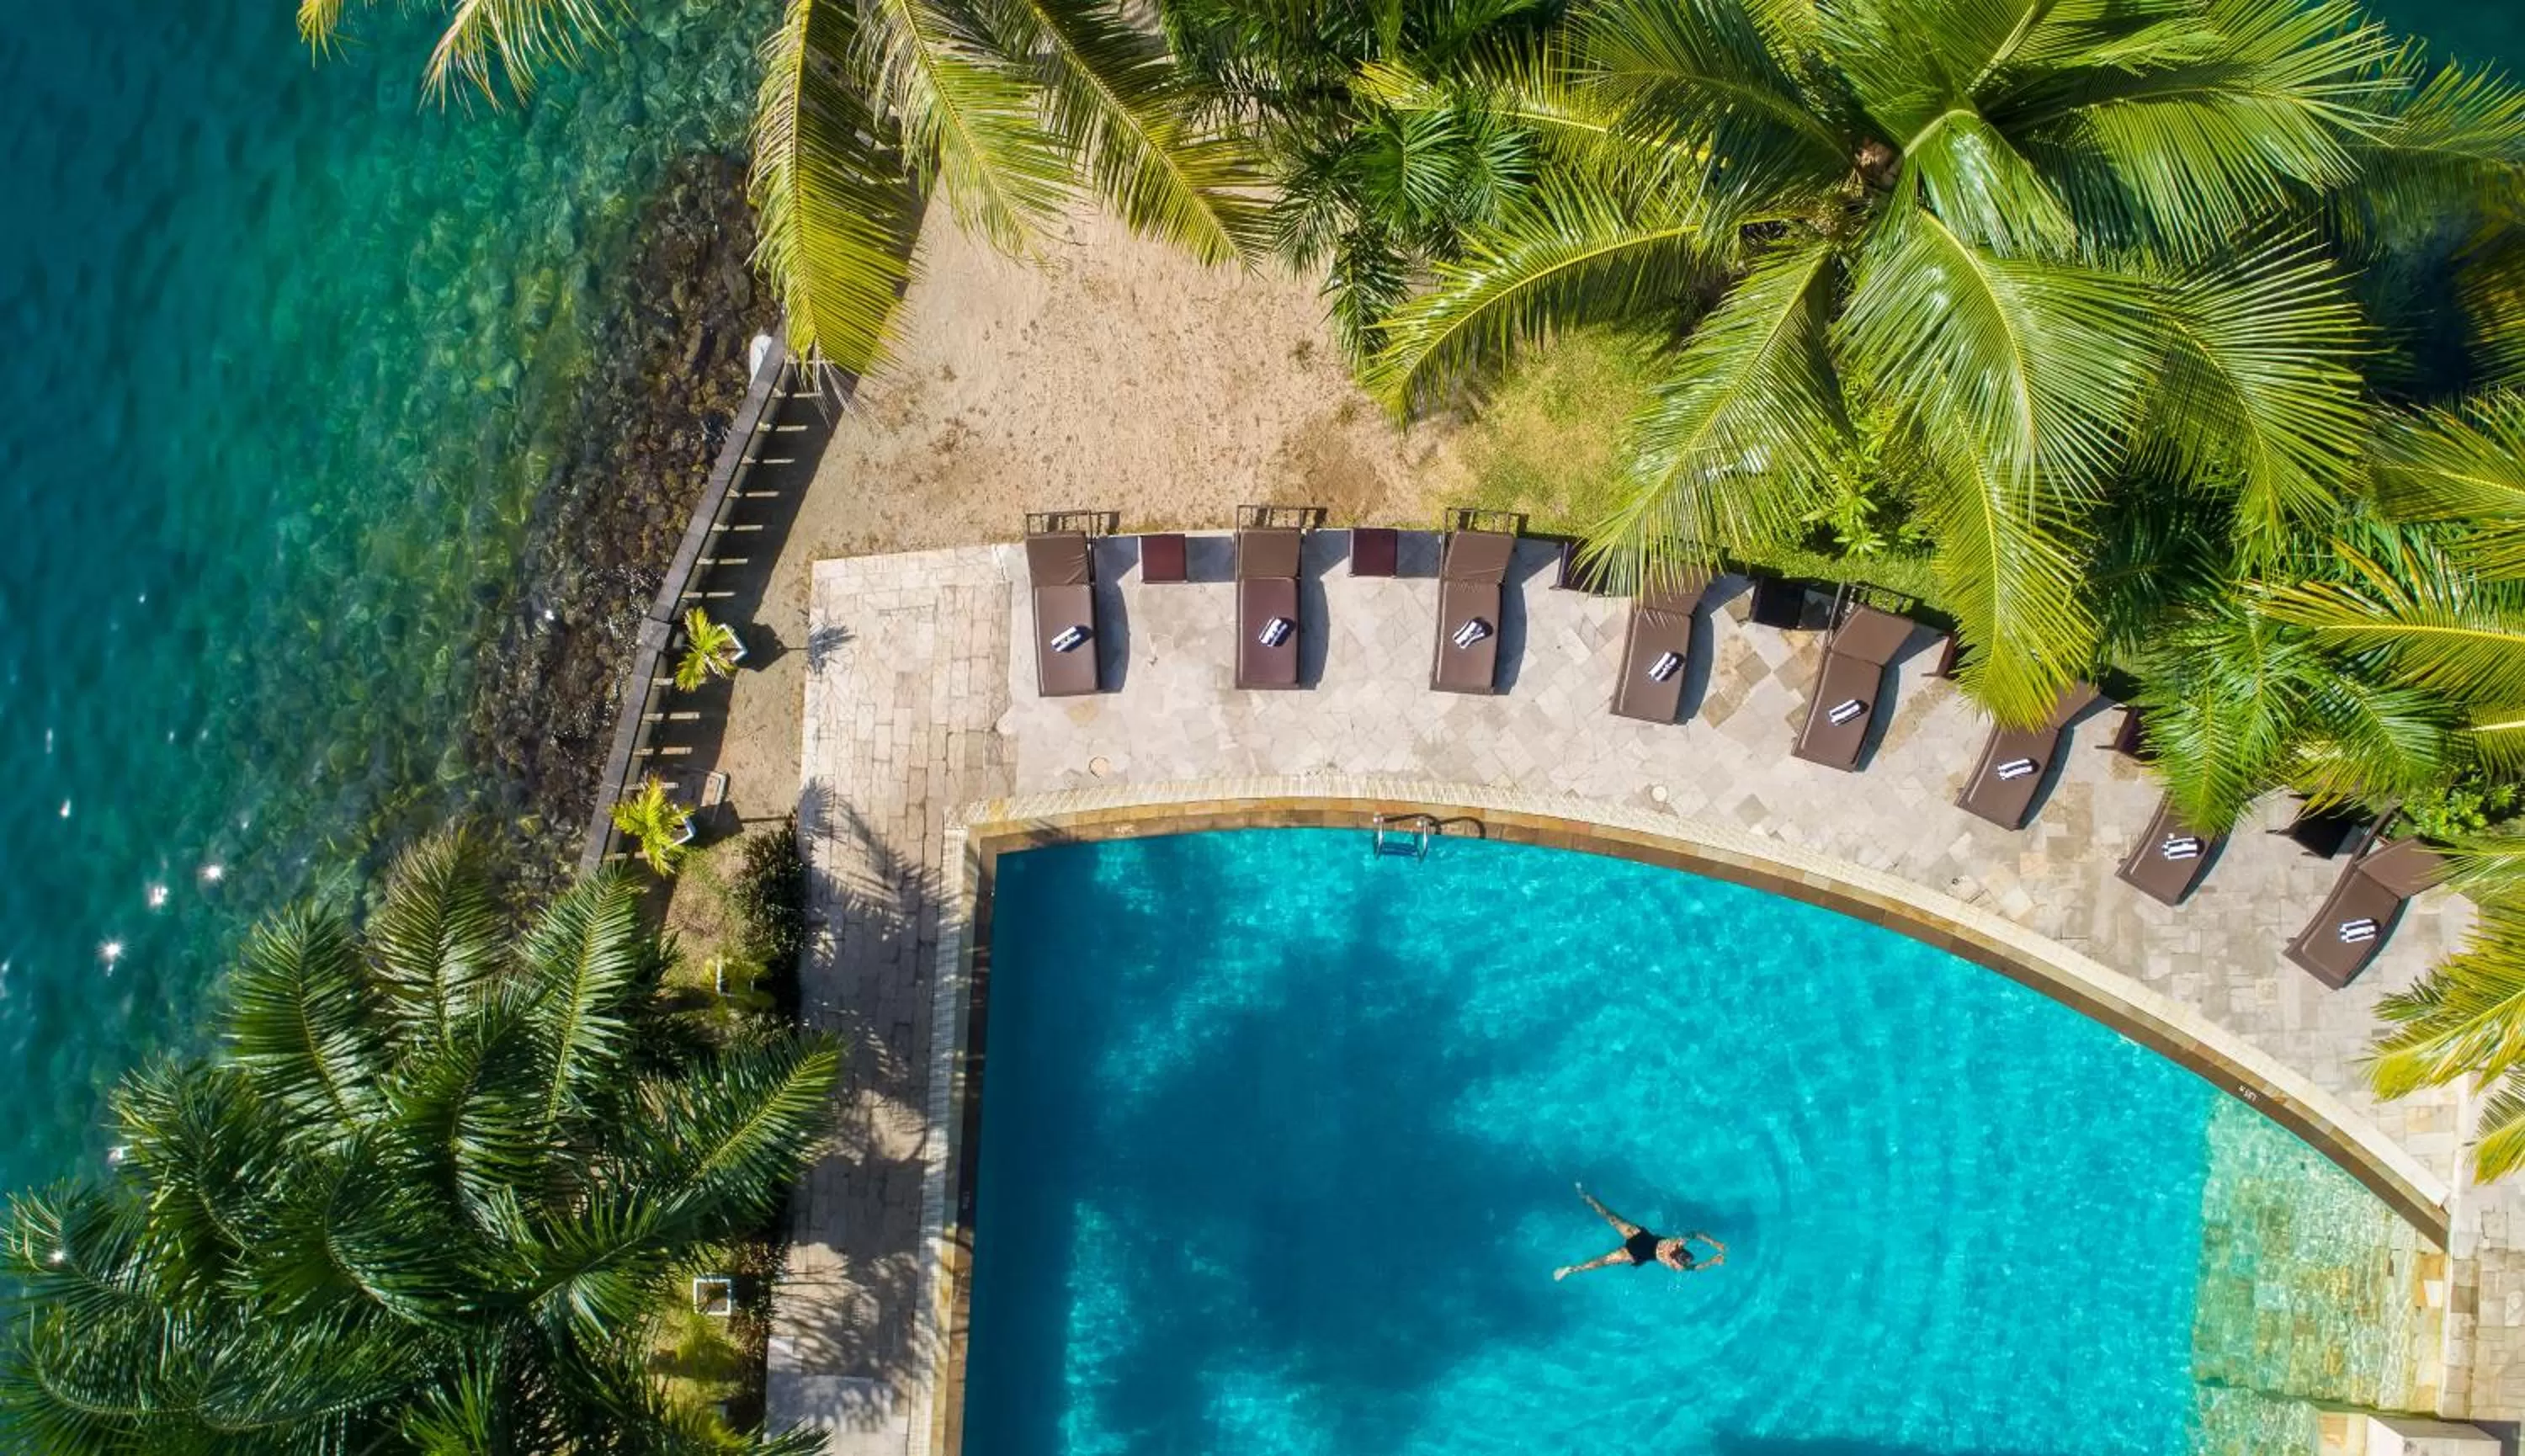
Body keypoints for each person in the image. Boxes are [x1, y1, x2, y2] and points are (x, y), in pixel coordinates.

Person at [1553, 1184, 1725, 1280]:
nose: (1680, 1256)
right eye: (1683, 1254)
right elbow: (1696, 1234)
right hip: (1638, 1238)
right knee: (1610, 1216)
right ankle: (1586, 1197)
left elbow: (1695, 1266)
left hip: (1635, 1252)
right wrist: (1715, 1244)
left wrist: (1713, 1260)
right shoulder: (1678, 1246)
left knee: (1602, 1261)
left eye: (1682, 1259)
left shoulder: (1678, 1264)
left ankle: (1571, 1270)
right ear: (1683, 1250)